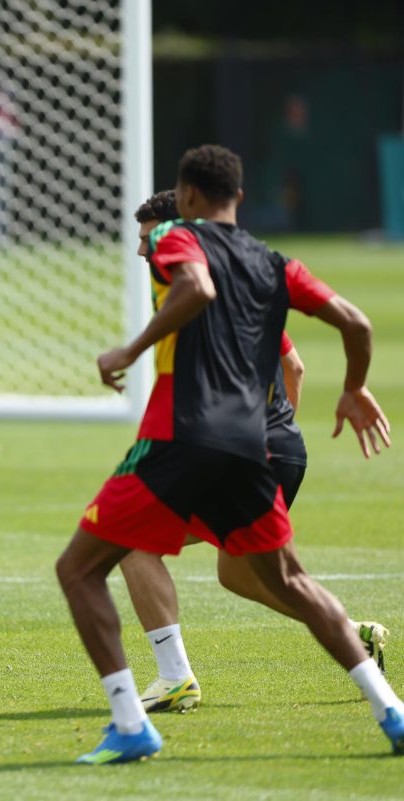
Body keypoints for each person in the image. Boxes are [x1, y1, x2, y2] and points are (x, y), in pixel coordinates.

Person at [56, 145, 401, 764]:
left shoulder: (174, 236)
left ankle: (132, 722)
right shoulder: (276, 263)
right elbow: (356, 323)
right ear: (239, 197)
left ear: (186, 200)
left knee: (80, 569)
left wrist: (128, 352)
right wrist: (352, 389)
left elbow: (196, 284)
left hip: (180, 438)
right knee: (282, 578)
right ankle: (391, 710)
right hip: (251, 446)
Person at [117, 191, 389, 714]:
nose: (141, 252)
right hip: (281, 451)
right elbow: (297, 367)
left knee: (132, 541)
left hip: (237, 456)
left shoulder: (192, 295)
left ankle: (175, 677)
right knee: (242, 574)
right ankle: (355, 637)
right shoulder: (244, 288)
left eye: (148, 239)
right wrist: (276, 428)